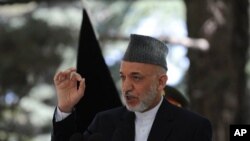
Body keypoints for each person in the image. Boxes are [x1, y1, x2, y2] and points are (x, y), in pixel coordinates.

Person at [51, 34, 212, 141]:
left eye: (136, 77)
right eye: (123, 77)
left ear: (161, 82)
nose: (126, 87)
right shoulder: (105, 123)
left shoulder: (193, 127)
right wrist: (65, 108)